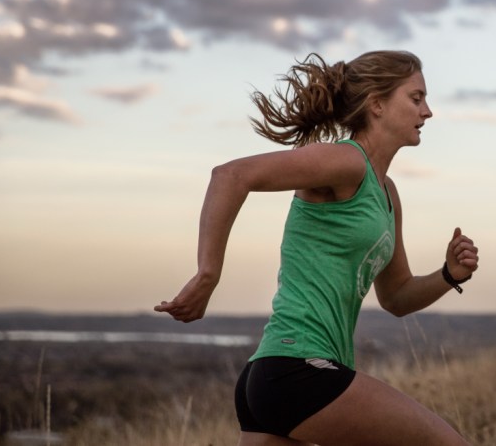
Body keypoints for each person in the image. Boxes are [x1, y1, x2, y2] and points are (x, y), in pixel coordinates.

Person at [155, 50, 479, 445]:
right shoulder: (346, 161)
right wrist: (208, 275)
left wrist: (448, 275)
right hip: (299, 370)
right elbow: (231, 175)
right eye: (416, 98)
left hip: (278, 377)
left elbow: (396, 296)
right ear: (377, 104)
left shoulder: (386, 193)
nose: (427, 111)